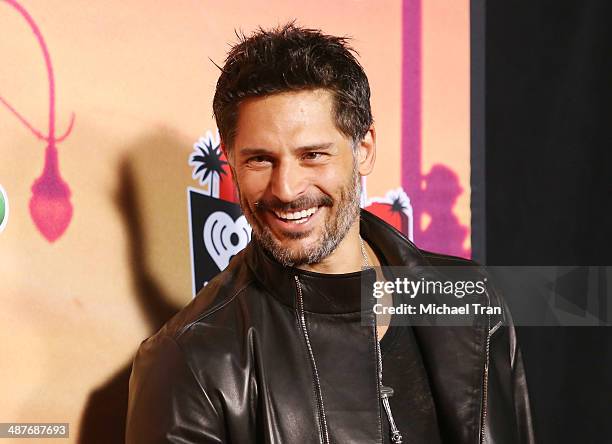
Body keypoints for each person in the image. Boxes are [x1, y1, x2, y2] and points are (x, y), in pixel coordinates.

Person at [126, 23, 534, 443]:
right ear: (230, 162)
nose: (286, 189)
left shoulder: (470, 299)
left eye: (313, 155)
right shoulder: (190, 360)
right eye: (260, 160)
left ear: (364, 149)